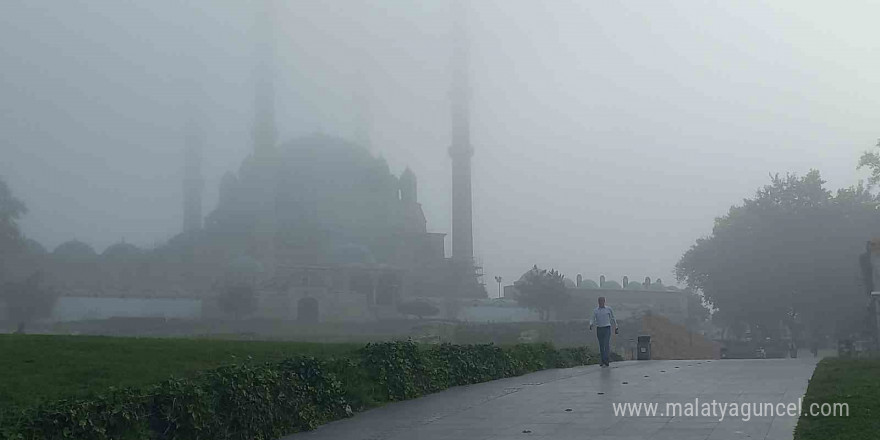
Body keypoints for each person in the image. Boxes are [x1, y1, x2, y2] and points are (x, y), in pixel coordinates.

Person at [589, 296, 618, 367]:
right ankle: (602, 360)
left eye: (602, 301)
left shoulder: (608, 309)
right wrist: (591, 324)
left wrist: (616, 326)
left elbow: (613, 318)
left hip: (607, 328)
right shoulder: (596, 310)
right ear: (598, 302)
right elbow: (592, 318)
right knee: (601, 345)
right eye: (600, 301)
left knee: (606, 344)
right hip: (599, 328)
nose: (601, 303)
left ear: (604, 302)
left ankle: (606, 360)